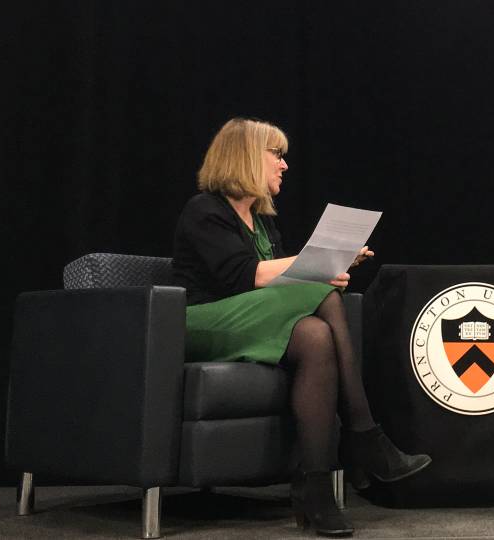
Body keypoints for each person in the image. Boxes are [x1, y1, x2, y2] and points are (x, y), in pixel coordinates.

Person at [172, 118, 431, 537]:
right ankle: (365, 435)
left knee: (316, 336)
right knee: (324, 298)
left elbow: (279, 282)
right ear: (245, 157)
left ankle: (316, 489)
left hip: (252, 319)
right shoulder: (204, 210)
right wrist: (317, 267)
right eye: (276, 154)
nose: (284, 165)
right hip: (202, 322)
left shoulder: (263, 221)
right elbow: (245, 276)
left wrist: (330, 268)